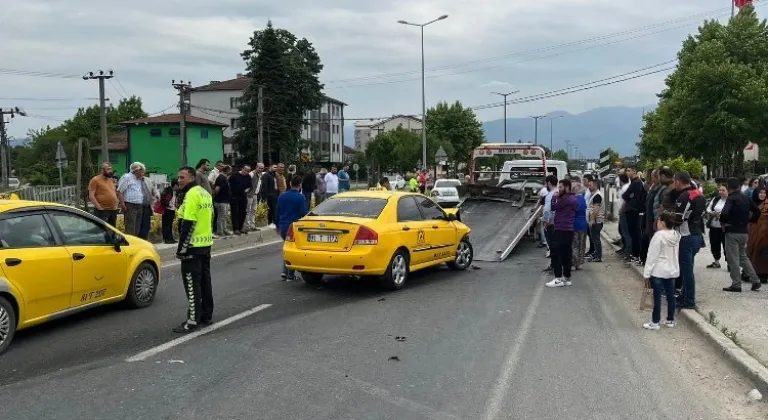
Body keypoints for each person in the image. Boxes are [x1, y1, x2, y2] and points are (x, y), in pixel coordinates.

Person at [173, 166, 214, 333]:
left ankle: (192, 320)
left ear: (190, 177)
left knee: (192, 284)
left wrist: (181, 249)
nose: (179, 180)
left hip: (192, 247)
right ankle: (206, 314)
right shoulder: (205, 193)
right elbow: (211, 218)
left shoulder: (191, 195)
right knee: (205, 281)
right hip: (205, 244)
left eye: (182, 177)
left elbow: (188, 224)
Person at [720, 179, 761, 292]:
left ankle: (736, 284)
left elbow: (724, 213)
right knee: (743, 257)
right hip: (744, 231)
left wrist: (723, 221)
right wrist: (750, 220)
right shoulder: (746, 198)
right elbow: (757, 211)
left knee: (733, 259)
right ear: (739, 186)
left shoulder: (731, 198)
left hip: (732, 231)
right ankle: (755, 280)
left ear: (728, 187)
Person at [672, 171, 706, 308]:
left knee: (686, 271)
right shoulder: (699, 194)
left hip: (686, 236)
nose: (674, 184)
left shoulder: (684, 196)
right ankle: (684, 296)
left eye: (675, 181)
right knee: (688, 268)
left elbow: (679, 219)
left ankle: (689, 301)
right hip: (697, 235)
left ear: (679, 181)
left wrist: (669, 219)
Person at [642, 211, 680, 330]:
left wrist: (647, 273)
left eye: (658, 220)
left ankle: (655, 321)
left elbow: (652, 256)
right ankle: (670, 319)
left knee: (657, 297)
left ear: (662, 223)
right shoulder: (676, 234)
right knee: (670, 295)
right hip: (672, 269)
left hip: (659, 270)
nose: (657, 223)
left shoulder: (659, 236)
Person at [546, 179, 578, 288]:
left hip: (561, 229)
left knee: (556, 253)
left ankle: (558, 278)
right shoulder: (572, 198)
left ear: (567, 187)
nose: (558, 189)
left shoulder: (567, 199)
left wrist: (554, 198)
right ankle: (567, 277)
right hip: (568, 230)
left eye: (560, 187)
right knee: (566, 254)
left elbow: (553, 207)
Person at [276, 175, 308, 281]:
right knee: (292, 250)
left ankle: (285, 272)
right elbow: (303, 213)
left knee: (287, 248)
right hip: (293, 227)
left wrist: (277, 225)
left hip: (283, 226)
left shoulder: (282, 196)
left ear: (290, 184)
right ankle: (290, 275)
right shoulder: (300, 197)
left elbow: (277, 212)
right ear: (300, 185)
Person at [117, 162, 149, 237]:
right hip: (130, 205)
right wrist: (123, 205)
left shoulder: (139, 179)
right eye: (142, 171)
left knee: (137, 228)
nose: (143, 173)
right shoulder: (127, 177)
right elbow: (119, 191)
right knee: (130, 228)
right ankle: (129, 245)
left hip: (139, 206)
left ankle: (134, 245)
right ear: (136, 170)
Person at [622, 167, 645, 265]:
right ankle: (634, 253)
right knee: (632, 233)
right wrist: (630, 196)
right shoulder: (633, 182)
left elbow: (635, 197)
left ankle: (636, 254)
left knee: (635, 233)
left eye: (628, 171)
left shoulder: (637, 182)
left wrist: (630, 196)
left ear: (634, 171)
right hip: (630, 210)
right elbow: (626, 195)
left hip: (634, 211)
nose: (627, 173)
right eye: (626, 171)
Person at [747, 187, 768, 284]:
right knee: (750, 252)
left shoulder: (767, 205)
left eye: (764, 193)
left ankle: (762, 275)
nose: (762, 195)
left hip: (764, 235)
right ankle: (749, 273)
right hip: (752, 233)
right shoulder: (751, 204)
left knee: (760, 255)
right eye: (760, 193)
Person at [89, 162, 119, 226]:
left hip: (113, 210)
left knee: (112, 231)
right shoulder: (95, 180)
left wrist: (116, 205)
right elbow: (91, 195)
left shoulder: (110, 179)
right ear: (102, 170)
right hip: (103, 211)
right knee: (102, 230)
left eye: (111, 169)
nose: (110, 171)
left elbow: (113, 192)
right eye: (108, 169)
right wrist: (99, 208)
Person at [706, 184, 728, 269]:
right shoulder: (715, 199)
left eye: (723, 190)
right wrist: (712, 212)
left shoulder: (730, 200)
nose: (721, 192)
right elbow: (708, 208)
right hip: (714, 226)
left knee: (727, 246)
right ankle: (716, 261)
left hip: (725, 227)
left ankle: (730, 263)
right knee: (714, 244)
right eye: (720, 190)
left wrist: (722, 214)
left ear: (727, 191)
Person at [541, 175, 558, 272]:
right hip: (560, 223)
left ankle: (554, 266)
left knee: (552, 246)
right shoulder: (560, 193)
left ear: (549, 183)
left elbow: (547, 211)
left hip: (551, 224)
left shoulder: (550, 195)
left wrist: (546, 222)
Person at [229, 165, 251, 235]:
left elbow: (250, 186)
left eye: (248, 171)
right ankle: (235, 229)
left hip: (243, 197)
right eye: (245, 170)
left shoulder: (248, 177)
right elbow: (229, 184)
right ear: (242, 169)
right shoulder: (234, 175)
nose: (246, 172)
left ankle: (240, 228)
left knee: (243, 213)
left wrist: (248, 189)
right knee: (235, 213)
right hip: (234, 197)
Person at [586, 177, 604, 262]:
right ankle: (596, 254)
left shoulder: (597, 196)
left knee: (596, 239)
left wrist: (592, 220)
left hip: (596, 221)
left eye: (590, 185)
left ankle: (598, 256)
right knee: (594, 238)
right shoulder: (594, 194)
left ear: (595, 186)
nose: (588, 187)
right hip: (595, 220)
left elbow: (596, 209)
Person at [571, 182, 588, 270]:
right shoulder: (582, 199)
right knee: (582, 244)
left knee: (574, 244)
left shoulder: (572, 199)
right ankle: (580, 263)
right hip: (583, 223)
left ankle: (573, 263)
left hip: (574, 223)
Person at [213, 165, 232, 237]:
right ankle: (220, 231)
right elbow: (217, 189)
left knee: (224, 216)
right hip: (221, 201)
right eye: (230, 170)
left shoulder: (224, 178)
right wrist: (216, 197)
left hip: (225, 201)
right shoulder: (221, 178)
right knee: (221, 216)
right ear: (227, 170)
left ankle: (224, 229)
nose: (230, 171)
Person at [159, 180, 178, 244]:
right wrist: (167, 205)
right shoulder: (168, 190)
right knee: (166, 225)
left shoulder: (173, 191)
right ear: (175, 185)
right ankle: (167, 239)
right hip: (167, 209)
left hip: (172, 209)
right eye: (178, 186)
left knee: (170, 225)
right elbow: (163, 198)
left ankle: (170, 238)